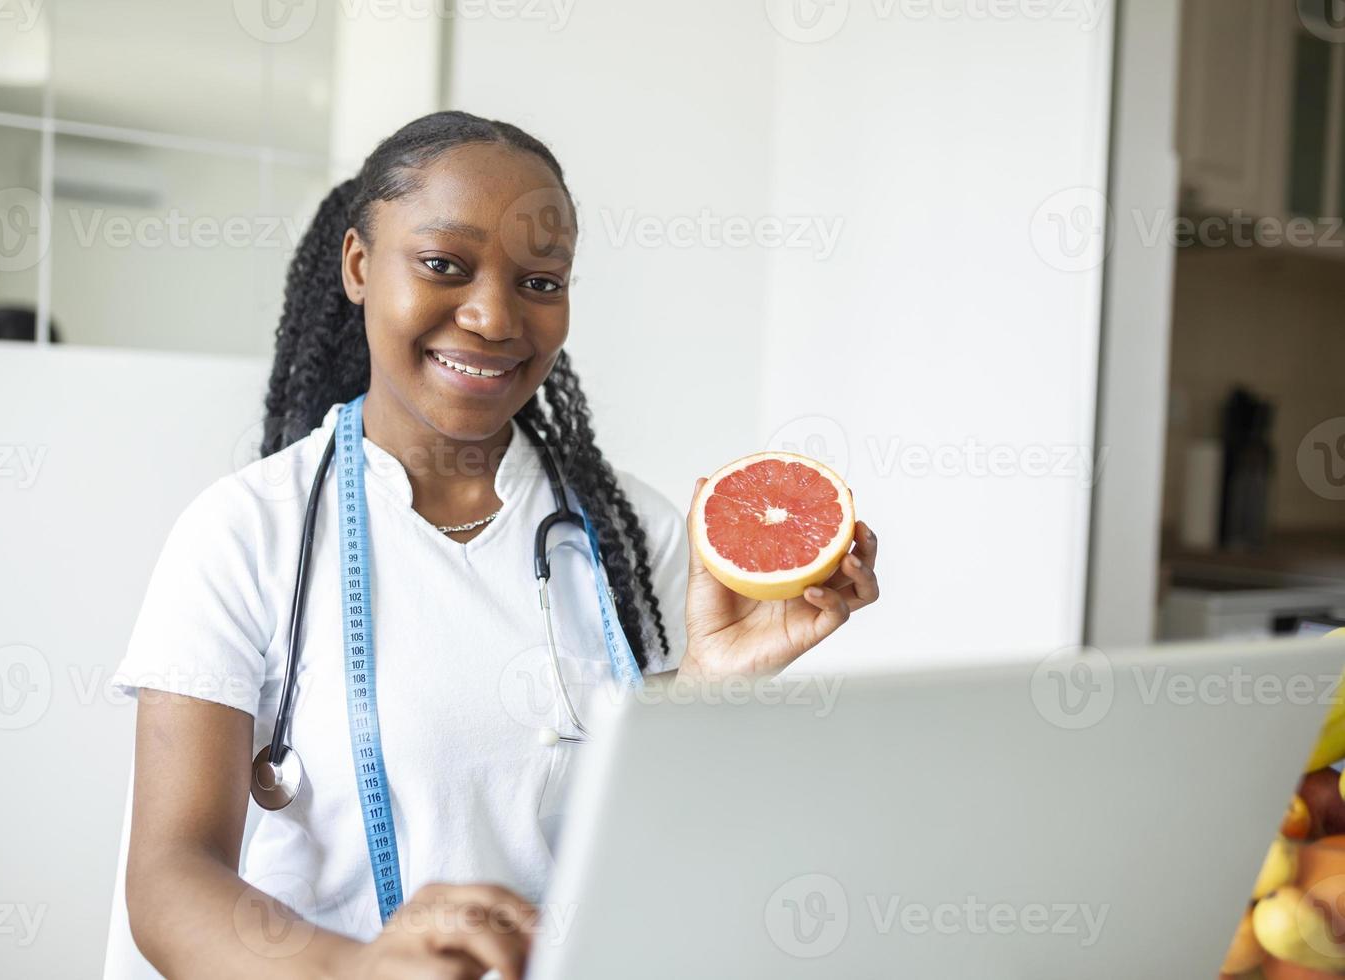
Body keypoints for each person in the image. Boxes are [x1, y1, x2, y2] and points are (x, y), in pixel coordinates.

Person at [110, 110, 880, 980]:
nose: (492, 315)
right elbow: (169, 882)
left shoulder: (640, 536)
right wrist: (353, 970)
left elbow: (663, 849)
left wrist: (706, 688)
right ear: (360, 266)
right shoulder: (245, 534)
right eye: (444, 264)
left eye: (541, 282)